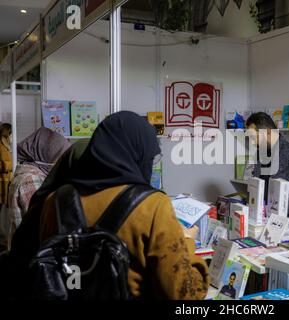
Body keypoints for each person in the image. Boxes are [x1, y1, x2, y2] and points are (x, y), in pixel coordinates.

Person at [38, 111, 209, 299]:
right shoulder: (152, 206)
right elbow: (183, 294)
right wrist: (186, 242)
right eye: (149, 159)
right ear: (138, 156)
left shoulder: (55, 201)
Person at [246, 112, 289, 239]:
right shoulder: (260, 155)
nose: (253, 143)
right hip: (266, 224)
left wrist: (278, 208)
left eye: (255, 138)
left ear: (268, 133)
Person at [4, 128, 71, 250]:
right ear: (46, 154)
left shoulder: (31, 174)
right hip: (29, 254)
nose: (61, 162)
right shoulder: (31, 180)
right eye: (59, 157)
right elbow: (41, 222)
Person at [0, 123, 12, 206]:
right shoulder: (1, 145)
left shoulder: (7, 144)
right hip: (2, 179)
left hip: (7, 179)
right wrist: (10, 165)